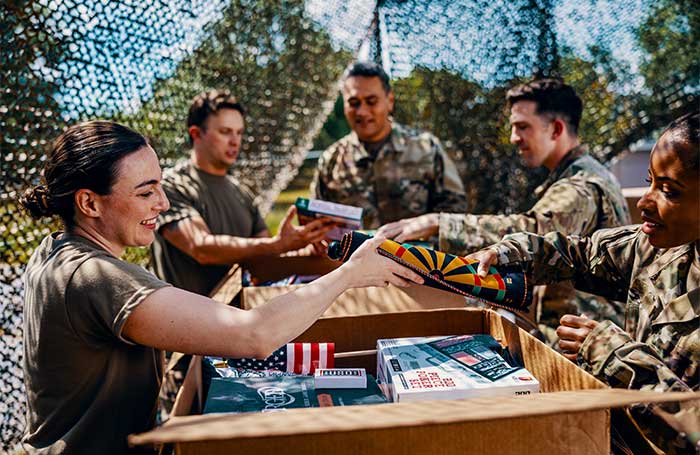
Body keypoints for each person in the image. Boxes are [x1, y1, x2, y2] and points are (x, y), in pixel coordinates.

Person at [19, 120, 423, 454]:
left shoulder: (55, 250)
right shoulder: (95, 276)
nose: (161, 203)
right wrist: (350, 274)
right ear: (89, 203)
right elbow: (255, 335)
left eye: (159, 185)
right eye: (145, 192)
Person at [467, 111, 700, 453]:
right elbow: (580, 253)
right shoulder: (660, 247)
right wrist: (511, 251)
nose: (645, 202)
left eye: (669, 191)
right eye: (650, 181)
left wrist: (614, 355)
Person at [378, 78, 631, 341]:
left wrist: (439, 223)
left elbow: (532, 234)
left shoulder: (580, 187)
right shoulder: (584, 175)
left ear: (556, 129)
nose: (514, 138)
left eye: (523, 127)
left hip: (590, 344)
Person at [151, 90, 333, 296]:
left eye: (239, 132)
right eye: (225, 131)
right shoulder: (172, 185)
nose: (235, 141)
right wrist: (276, 245)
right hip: (183, 321)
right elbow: (201, 247)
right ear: (196, 134)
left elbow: (264, 255)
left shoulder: (242, 193)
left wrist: (305, 246)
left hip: (239, 316)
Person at [310, 61, 467, 229]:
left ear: (390, 100)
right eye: (354, 103)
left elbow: (455, 214)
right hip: (355, 255)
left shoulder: (426, 148)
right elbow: (315, 221)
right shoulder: (331, 161)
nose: (362, 112)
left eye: (371, 101)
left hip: (415, 254)